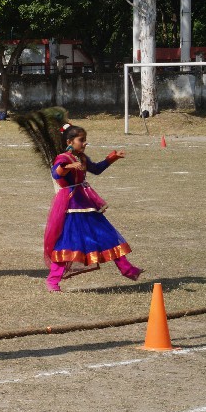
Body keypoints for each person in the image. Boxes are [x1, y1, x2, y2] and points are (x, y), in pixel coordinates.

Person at [44, 123, 142, 292]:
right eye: (81, 140)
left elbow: (96, 169)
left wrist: (112, 157)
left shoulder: (81, 157)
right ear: (69, 141)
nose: (84, 144)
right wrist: (67, 167)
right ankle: (53, 281)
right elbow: (55, 173)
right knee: (67, 242)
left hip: (87, 203)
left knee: (107, 235)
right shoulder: (64, 158)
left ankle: (127, 269)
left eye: (85, 140)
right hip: (71, 205)